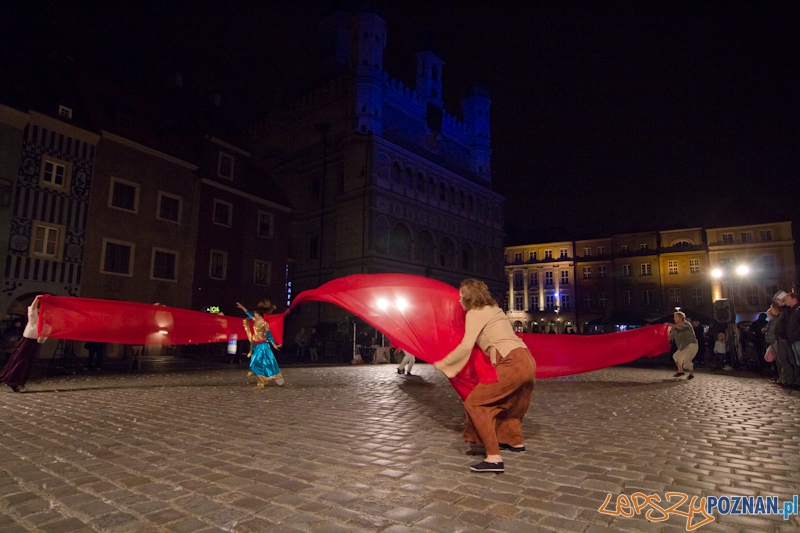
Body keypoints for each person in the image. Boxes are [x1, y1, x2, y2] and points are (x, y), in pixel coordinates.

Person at [433, 279, 536, 474]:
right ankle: (513, 441)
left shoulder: (475, 313)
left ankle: (494, 458)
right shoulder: (494, 309)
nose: (459, 299)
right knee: (511, 402)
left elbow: (466, 345)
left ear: (469, 297)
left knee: (475, 404)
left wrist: (444, 363)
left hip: (511, 361)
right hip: (526, 359)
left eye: (462, 295)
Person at [0, 296, 46, 393]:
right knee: (18, 361)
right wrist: (36, 300)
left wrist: (41, 339)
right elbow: (32, 309)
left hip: (35, 344)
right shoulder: (35, 318)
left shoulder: (47, 323)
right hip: (27, 341)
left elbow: (45, 335)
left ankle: (19, 383)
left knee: (28, 364)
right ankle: (11, 380)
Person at [236, 300, 284, 388]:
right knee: (260, 363)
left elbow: (269, 335)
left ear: (258, 313)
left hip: (263, 345)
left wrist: (274, 344)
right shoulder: (255, 320)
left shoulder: (264, 323)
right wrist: (242, 307)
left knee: (258, 363)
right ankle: (263, 380)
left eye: (255, 313)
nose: (253, 314)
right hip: (256, 345)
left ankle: (261, 383)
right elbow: (248, 314)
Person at [772, 290, 794, 388]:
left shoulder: (787, 311)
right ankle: (788, 379)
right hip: (782, 337)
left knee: (787, 360)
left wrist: (783, 334)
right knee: (783, 360)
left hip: (785, 338)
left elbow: (787, 325)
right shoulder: (784, 311)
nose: (778, 303)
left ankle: (791, 380)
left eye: (778, 300)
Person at [668, 311, 698, 380]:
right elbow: (671, 336)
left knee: (687, 360)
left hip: (691, 344)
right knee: (676, 356)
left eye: (676, 317)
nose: (674, 318)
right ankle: (680, 371)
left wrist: (670, 324)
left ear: (680, 318)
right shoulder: (674, 327)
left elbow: (681, 328)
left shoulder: (687, 324)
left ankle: (691, 374)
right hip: (683, 346)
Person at [785, 292, 800, 376]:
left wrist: (795, 333)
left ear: (794, 299)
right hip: (793, 339)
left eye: (787, 299)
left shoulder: (798, 310)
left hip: (797, 338)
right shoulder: (792, 311)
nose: (785, 301)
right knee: (797, 362)